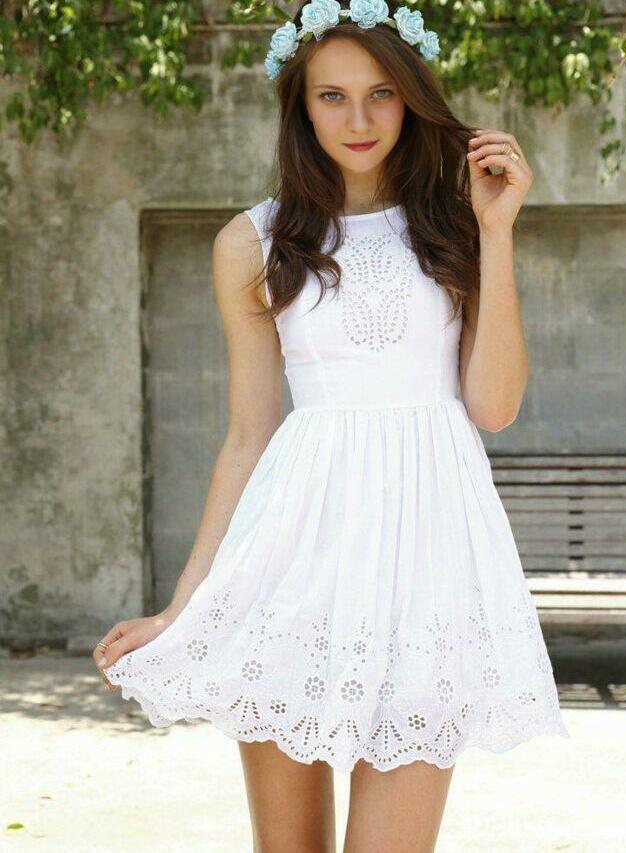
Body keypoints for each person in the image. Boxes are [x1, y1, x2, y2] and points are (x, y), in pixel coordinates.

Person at [94, 1, 570, 849]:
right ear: (301, 107)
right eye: (332, 96)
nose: (359, 120)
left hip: (425, 577)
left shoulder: (458, 225)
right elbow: (248, 435)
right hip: (294, 574)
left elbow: (493, 406)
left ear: (410, 98)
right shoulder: (253, 242)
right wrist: (183, 607)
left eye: (381, 93)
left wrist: (497, 234)